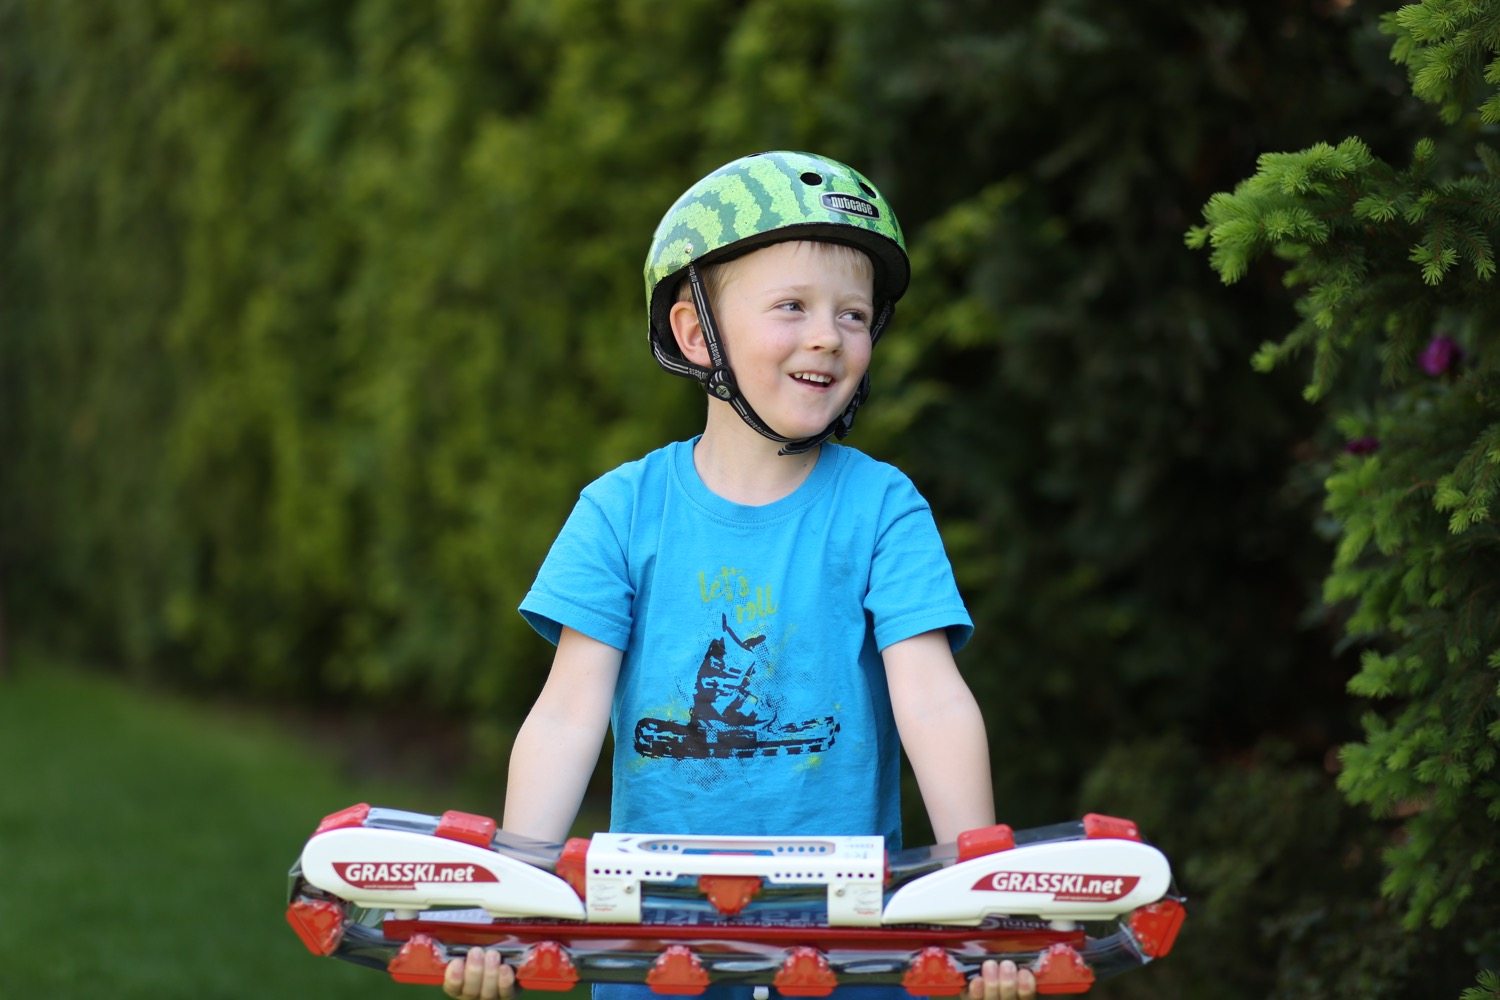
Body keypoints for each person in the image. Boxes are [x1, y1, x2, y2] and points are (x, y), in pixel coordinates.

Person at [443, 151, 1036, 1000]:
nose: (828, 335)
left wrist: (979, 898)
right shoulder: (621, 511)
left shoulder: (882, 509)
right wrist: (515, 897)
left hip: (845, 954)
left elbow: (934, 703)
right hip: (655, 952)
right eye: (792, 306)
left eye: (854, 314)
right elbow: (567, 714)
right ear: (697, 335)